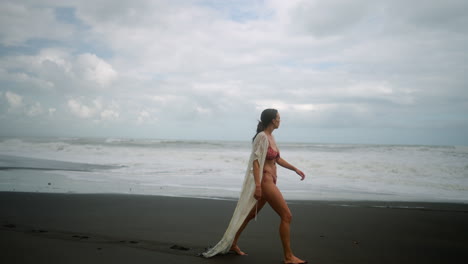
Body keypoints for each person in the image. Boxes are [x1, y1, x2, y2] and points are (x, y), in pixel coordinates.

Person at [202, 108, 307, 264]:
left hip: (271, 179)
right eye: (278, 118)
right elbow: (256, 163)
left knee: (250, 215)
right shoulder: (261, 137)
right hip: (265, 181)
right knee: (287, 216)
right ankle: (288, 257)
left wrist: (295, 169)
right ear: (272, 120)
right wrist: (258, 186)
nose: (280, 120)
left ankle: (232, 244)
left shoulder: (271, 137)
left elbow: (277, 159)